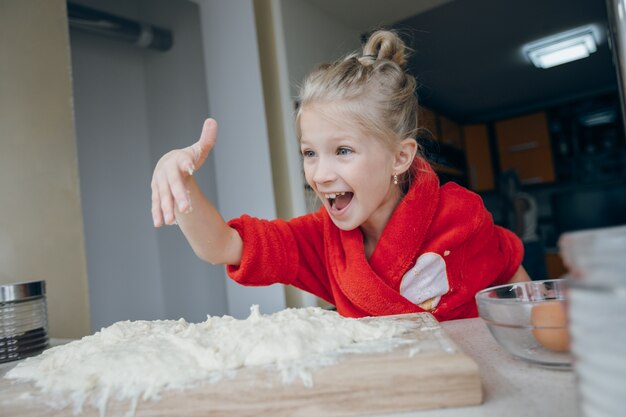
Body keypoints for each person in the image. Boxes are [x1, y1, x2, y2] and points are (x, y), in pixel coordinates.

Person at [151, 30, 529, 321]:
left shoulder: (460, 213)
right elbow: (221, 245)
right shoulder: (320, 242)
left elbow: (508, 263)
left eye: (343, 151)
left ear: (400, 157)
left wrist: (536, 331)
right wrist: (179, 179)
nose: (321, 174)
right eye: (310, 153)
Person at [500, 170, 548, 281]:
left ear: (509, 185)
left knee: (529, 286)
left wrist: (506, 244)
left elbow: (520, 230)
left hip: (526, 247)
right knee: (541, 283)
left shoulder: (518, 201)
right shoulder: (528, 197)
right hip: (536, 244)